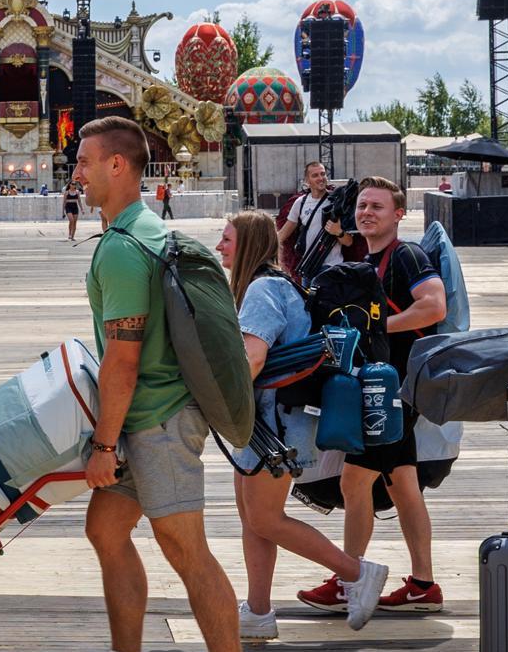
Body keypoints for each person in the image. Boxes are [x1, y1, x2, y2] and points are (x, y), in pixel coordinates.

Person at [75, 116, 240, 652]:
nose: (76, 172)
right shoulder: (148, 230)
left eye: (84, 161)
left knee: (187, 552)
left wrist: (103, 444)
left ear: (116, 165)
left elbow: (123, 361)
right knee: (105, 529)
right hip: (143, 419)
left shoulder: (124, 247)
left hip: (158, 422)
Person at [218, 211, 387, 638]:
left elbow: (251, 360)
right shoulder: (274, 284)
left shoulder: (262, 288)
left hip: (275, 425)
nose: (219, 247)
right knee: (253, 516)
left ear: (247, 246)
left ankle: (357, 572)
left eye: (225, 239)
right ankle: (257, 613)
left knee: (265, 518)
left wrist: (213, 396)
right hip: (270, 422)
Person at [299, 177, 447, 616]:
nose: (366, 213)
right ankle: (423, 584)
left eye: (377, 207)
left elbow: (434, 306)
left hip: (392, 390)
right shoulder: (370, 258)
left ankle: (350, 580)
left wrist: (376, 328)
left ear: (398, 214)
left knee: (354, 481)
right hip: (389, 388)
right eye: (362, 206)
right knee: (403, 486)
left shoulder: (406, 256)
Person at [275, 161, 338, 284]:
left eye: (323, 174)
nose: (320, 178)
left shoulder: (335, 200)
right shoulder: (300, 202)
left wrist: (339, 232)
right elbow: (284, 233)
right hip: (308, 266)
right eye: (315, 175)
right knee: (307, 302)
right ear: (307, 181)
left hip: (330, 266)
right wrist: (262, 248)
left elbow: (348, 239)